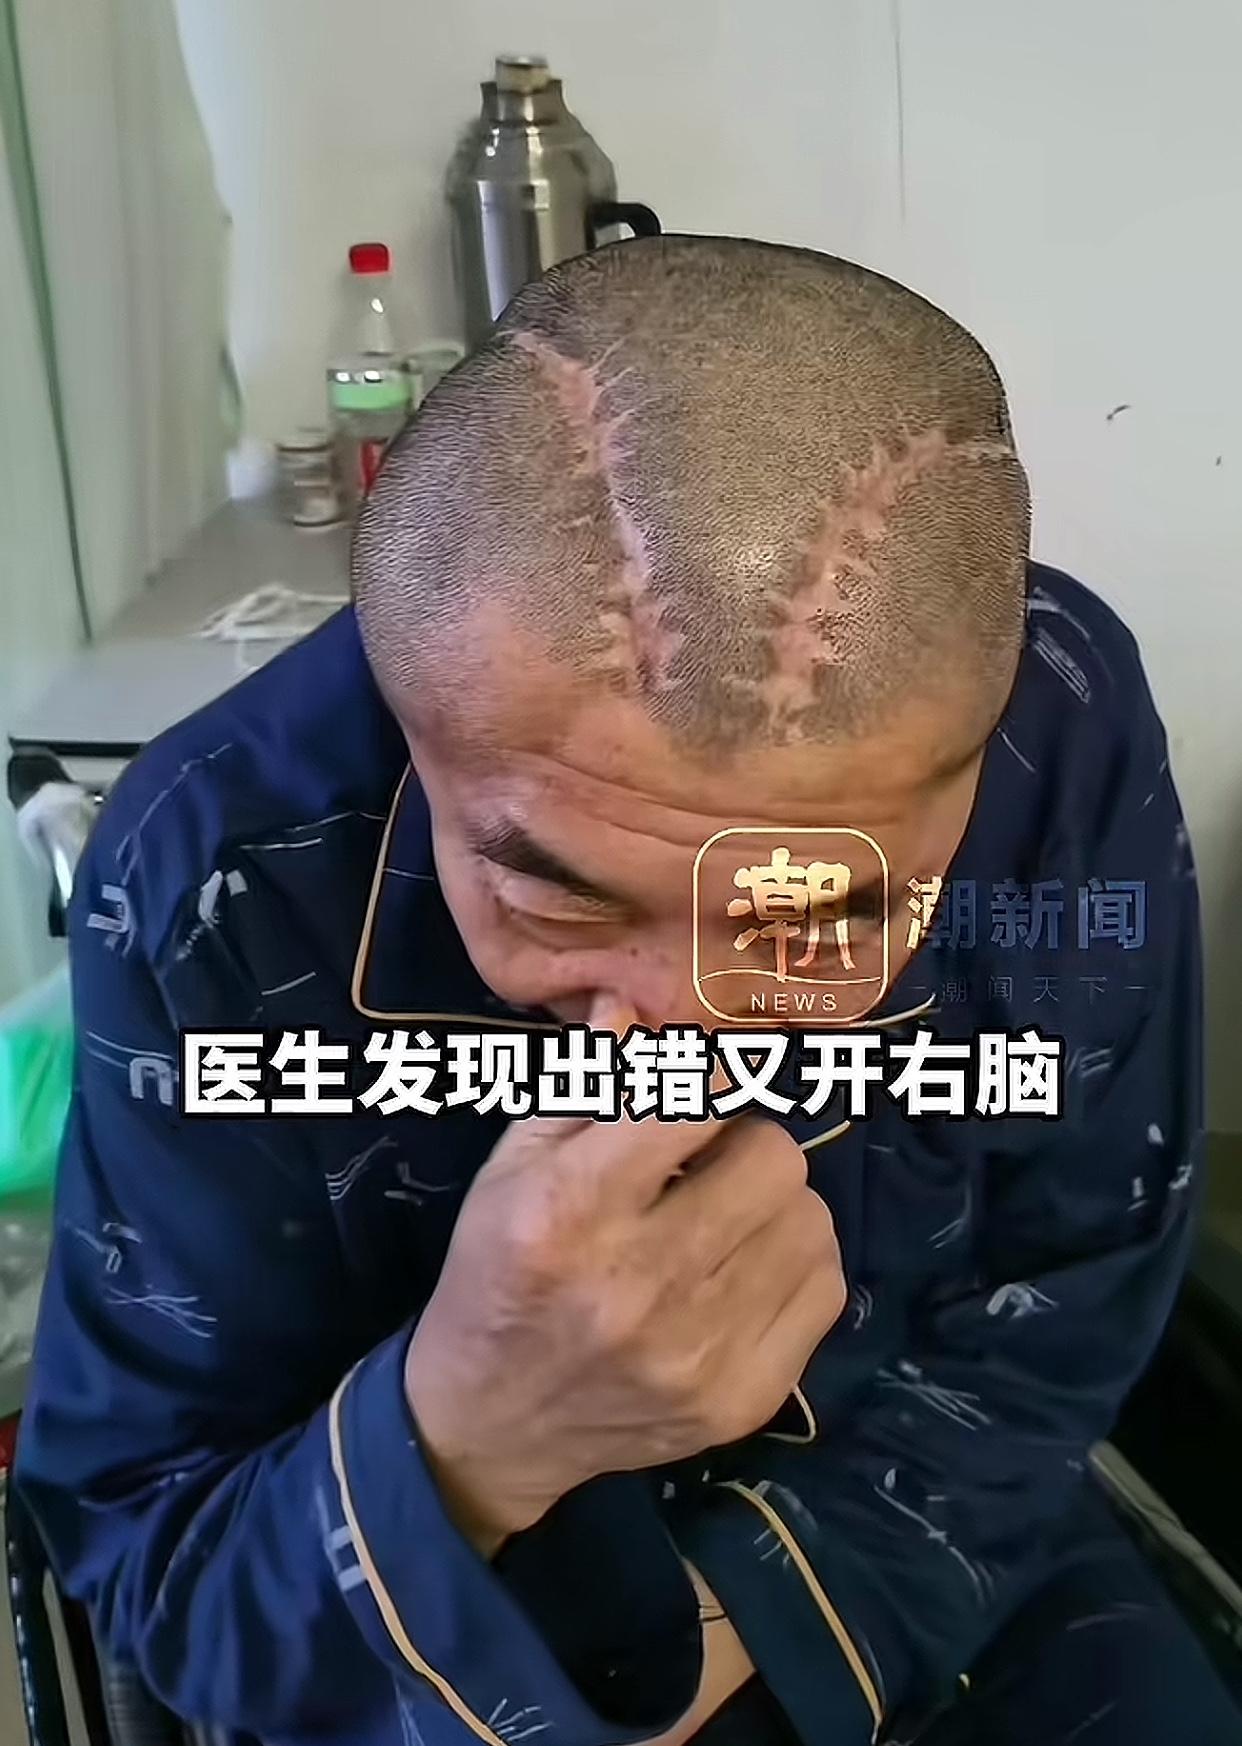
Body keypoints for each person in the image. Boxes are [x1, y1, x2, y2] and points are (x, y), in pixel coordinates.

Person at [18, 236, 1239, 1746]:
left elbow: (1079, 1276)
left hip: (923, 1525)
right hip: (413, 1618)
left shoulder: (1057, 733)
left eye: (808, 915)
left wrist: (746, 1630)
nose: (686, 1021)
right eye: (562, 894)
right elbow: (158, 1554)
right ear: (412, 735)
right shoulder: (220, 870)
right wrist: (469, 1426)